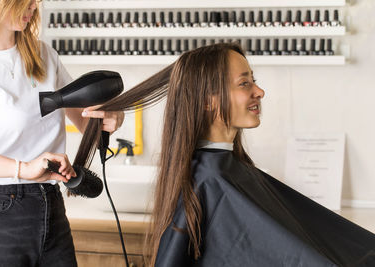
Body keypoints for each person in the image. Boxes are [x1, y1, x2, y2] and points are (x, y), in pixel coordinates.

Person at [74, 44, 375, 266]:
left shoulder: (225, 171)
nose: (259, 92)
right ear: (207, 101)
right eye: (245, 83)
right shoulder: (210, 180)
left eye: (253, 80)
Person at [0, 0, 124, 266]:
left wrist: (109, 118)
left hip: (50, 202)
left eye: (36, 1)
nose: (33, 7)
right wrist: (22, 168)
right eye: (24, 1)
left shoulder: (43, 54)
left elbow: (84, 118)